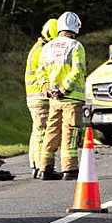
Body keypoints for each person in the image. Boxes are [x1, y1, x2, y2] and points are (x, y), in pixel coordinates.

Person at [37, 11, 87, 180]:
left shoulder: (47, 47)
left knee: (51, 132)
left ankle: (46, 168)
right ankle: (70, 170)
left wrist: (47, 89)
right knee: (70, 133)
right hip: (71, 99)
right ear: (75, 27)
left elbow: (40, 72)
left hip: (53, 100)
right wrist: (64, 89)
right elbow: (78, 70)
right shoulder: (76, 46)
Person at [24, 18, 58, 179]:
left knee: (37, 131)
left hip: (34, 97)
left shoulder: (37, 48)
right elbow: (46, 73)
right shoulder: (42, 51)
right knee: (43, 132)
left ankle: (35, 164)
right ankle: (40, 166)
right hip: (40, 97)